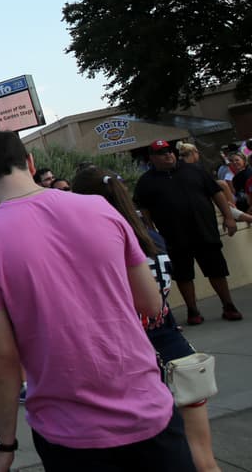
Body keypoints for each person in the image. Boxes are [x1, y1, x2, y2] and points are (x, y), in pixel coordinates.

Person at [0, 129, 193, 472]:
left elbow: (0, 356)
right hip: (150, 411)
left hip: (67, 431)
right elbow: (151, 302)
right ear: (29, 161)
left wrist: (5, 445)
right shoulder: (99, 207)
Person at [72, 167, 221, 472]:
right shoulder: (150, 236)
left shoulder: (99, 244)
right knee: (203, 459)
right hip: (177, 352)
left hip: (132, 365)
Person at [134, 139, 244, 324]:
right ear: (152, 158)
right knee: (183, 276)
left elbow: (216, 193)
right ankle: (193, 311)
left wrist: (229, 217)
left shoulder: (194, 170)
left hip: (204, 231)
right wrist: (152, 233)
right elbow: (144, 209)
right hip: (174, 237)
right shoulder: (146, 182)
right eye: (161, 153)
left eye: (169, 151)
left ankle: (228, 306)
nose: (168, 155)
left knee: (216, 271)